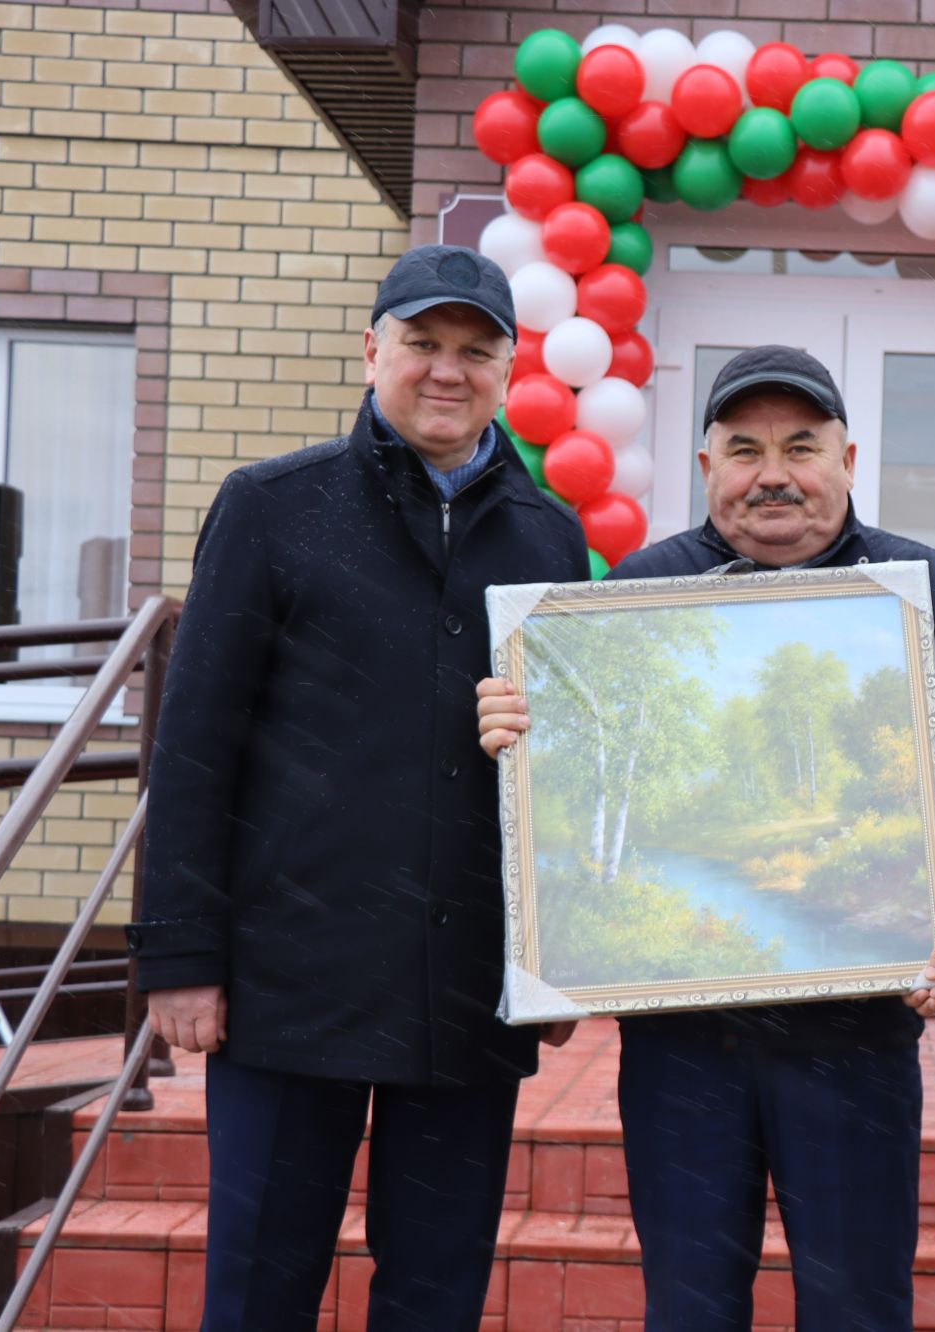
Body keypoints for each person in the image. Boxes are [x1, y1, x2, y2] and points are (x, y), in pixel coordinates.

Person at [476, 345, 935, 1332]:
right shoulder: (632, 595)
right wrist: (521, 734)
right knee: (688, 1307)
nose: (774, 474)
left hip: (857, 1036)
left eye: (801, 447)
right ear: (705, 470)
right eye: (745, 449)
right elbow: (586, 788)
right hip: (684, 1045)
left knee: (857, 1307)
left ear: (849, 459)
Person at [126, 245, 590, 1332]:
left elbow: (578, 771)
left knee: (435, 1294)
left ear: (510, 369)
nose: (447, 370)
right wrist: (179, 954)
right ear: (371, 350)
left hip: (467, 992)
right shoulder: (271, 508)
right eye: (422, 344)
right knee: (258, 1287)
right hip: (291, 986)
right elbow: (194, 745)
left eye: (476, 351)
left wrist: (566, 956)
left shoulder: (549, 535)